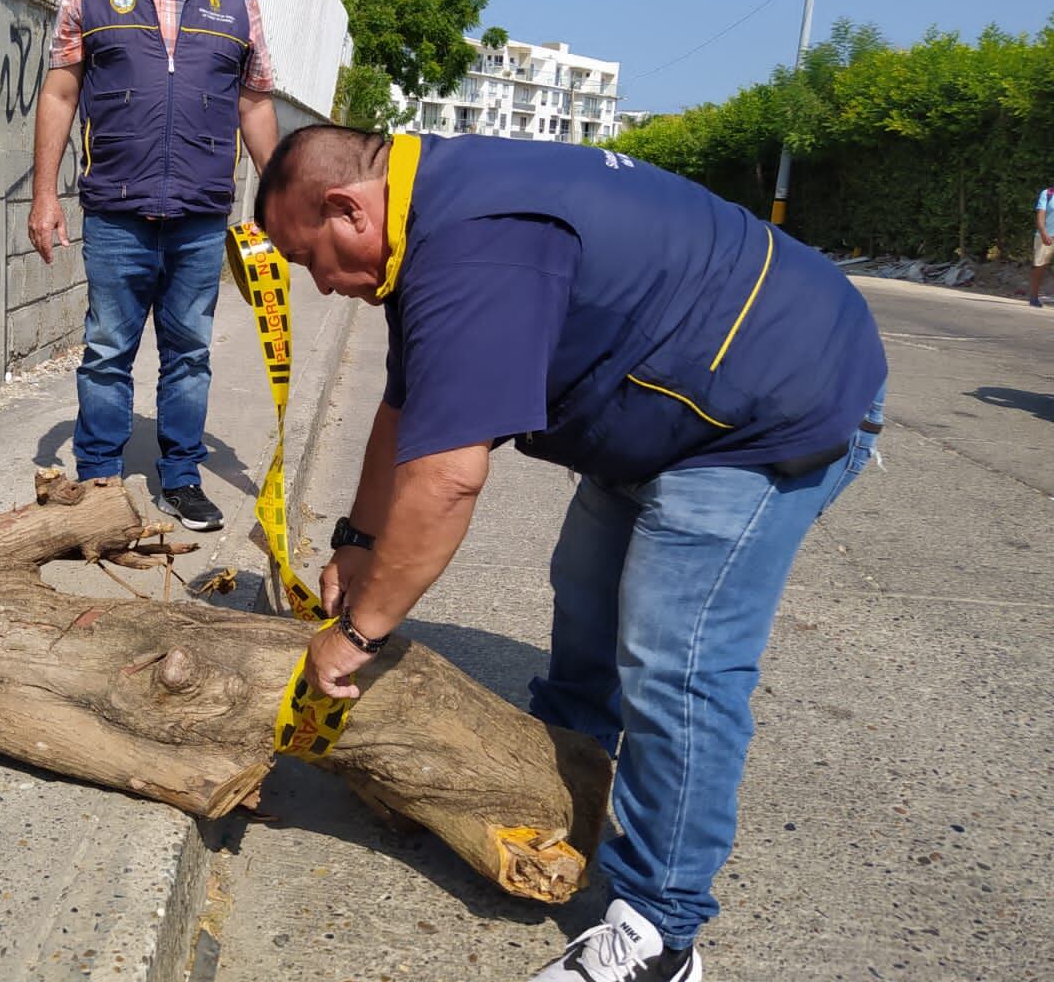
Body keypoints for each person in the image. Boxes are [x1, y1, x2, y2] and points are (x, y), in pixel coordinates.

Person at [255, 126, 888, 982]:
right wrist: (360, 543)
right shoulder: (426, 215)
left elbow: (447, 479)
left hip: (769, 405)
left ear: (347, 208)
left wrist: (360, 634)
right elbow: (407, 411)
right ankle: (558, 775)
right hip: (671, 395)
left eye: (310, 258)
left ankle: (661, 933)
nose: (322, 285)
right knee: (586, 596)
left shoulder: (472, 246)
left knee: (676, 660)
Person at [29, 0, 279, 531]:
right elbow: (61, 92)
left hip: (202, 218)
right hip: (116, 213)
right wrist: (44, 195)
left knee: (190, 354)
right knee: (108, 351)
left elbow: (256, 102)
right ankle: (102, 485)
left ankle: (180, 477)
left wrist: (285, 198)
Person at [1030, 183, 1054, 307]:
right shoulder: (1048, 194)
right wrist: (1044, 233)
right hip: (1045, 235)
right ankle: (1033, 297)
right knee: (1039, 265)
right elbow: (1040, 216)